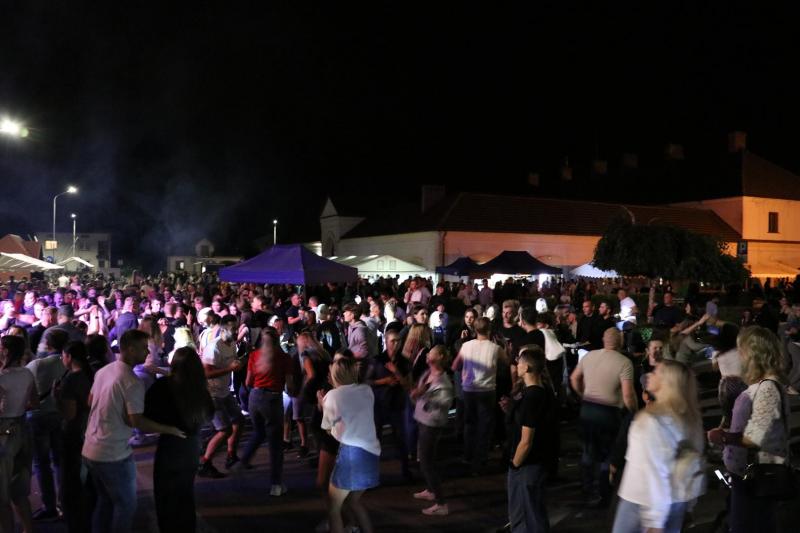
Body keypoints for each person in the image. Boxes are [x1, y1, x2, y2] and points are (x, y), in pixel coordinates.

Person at [82, 329, 185, 533]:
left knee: (105, 502)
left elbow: (90, 401)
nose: (147, 352)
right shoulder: (131, 381)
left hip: (90, 449)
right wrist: (170, 429)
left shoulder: (104, 371)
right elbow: (136, 421)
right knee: (126, 505)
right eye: (143, 348)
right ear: (130, 349)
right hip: (113, 454)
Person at [707, 326, 791, 533]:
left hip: (756, 475)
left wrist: (722, 437)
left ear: (753, 354)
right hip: (749, 474)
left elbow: (754, 438)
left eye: (741, 351)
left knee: (749, 525)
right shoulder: (764, 385)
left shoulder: (768, 388)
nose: (740, 356)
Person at [612, 360, 704, 533]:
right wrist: (689, 505)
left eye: (655, 372)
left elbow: (653, 473)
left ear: (667, 382)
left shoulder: (652, 420)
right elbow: (694, 462)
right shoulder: (691, 418)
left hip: (642, 502)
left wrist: (655, 521)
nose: (649, 374)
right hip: (676, 500)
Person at [144, 347, 214, 532]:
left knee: (165, 499)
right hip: (191, 446)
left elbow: (146, 415)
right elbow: (209, 413)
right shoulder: (199, 388)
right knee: (185, 497)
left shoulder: (163, 386)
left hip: (170, 445)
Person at [570, 328, 637, 508]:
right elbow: (628, 394)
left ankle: (587, 488)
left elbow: (574, 378)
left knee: (588, 451)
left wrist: (582, 395)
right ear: (620, 342)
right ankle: (604, 492)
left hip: (588, 409)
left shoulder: (589, 356)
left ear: (603, 339)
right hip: (609, 412)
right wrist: (634, 412)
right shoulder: (624, 363)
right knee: (608, 454)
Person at [321, 357, 381, 533]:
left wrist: (322, 403)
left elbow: (328, 429)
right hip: (371, 453)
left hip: (351, 454)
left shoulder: (331, 396)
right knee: (354, 501)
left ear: (335, 375)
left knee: (333, 507)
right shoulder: (366, 390)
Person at [235, 330, 294, 496]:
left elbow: (248, 381)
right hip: (273, 398)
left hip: (255, 397)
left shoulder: (254, 356)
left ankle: (243, 461)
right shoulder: (284, 358)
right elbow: (289, 384)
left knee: (259, 432)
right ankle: (276, 484)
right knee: (275, 443)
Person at [505, 346, 558, 533]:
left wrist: (515, 464)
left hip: (528, 464)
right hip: (537, 462)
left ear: (526, 367)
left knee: (527, 514)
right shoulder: (542, 392)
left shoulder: (532, 397)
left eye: (519, 362)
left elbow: (526, 440)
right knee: (532, 511)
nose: (516, 365)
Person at [452, 316, 508, 474]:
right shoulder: (495, 348)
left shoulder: (466, 346)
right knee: (485, 425)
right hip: (487, 390)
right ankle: (481, 457)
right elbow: (507, 361)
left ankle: (468, 455)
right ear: (489, 330)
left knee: (470, 423)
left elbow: (455, 365)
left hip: (469, 389)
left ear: (475, 330)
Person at [26, 327, 69, 521]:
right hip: (60, 415)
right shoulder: (68, 363)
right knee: (60, 460)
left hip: (38, 416)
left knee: (42, 463)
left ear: (48, 344)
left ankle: (49, 506)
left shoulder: (37, 365)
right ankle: (65, 502)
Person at [0, 335, 38, 533]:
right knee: (20, 491)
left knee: (2, 496)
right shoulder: (27, 373)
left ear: (5, 351)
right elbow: (35, 402)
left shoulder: (2, 377)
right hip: (23, 429)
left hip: (4, 433)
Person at [410, 345, 454, 516]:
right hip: (423, 420)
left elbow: (445, 403)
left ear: (440, 357)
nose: (427, 355)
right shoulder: (428, 373)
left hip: (431, 424)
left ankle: (441, 503)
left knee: (427, 463)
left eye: (431, 353)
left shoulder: (444, 382)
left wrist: (424, 394)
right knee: (425, 458)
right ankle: (430, 490)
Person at [198, 314, 244, 477]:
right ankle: (205, 463)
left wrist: (239, 362)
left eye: (237, 328)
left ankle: (231, 455)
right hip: (212, 394)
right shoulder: (214, 347)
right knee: (224, 430)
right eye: (233, 328)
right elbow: (206, 373)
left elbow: (232, 362)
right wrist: (230, 369)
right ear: (223, 329)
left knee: (239, 420)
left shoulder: (231, 344)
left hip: (224, 391)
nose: (236, 331)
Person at [55, 341, 93, 533]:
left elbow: (70, 414)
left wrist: (56, 398)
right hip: (89, 431)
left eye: (63, 355)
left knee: (71, 480)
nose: (62, 359)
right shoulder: (91, 374)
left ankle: (76, 521)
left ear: (69, 357)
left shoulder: (71, 380)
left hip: (74, 433)